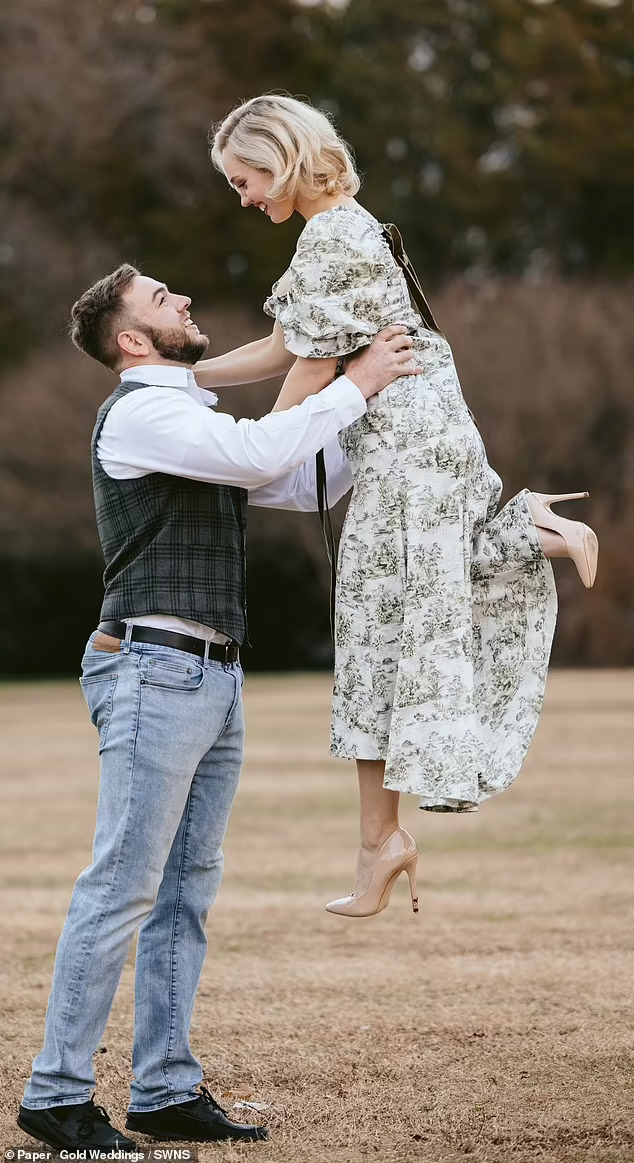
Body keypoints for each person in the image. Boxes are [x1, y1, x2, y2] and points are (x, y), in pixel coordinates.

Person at [17, 263, 418, 1152]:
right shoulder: (142, 411)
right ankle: (55, 1094)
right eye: (163, 300)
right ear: (131, 339)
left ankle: (163, 1089)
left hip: (210, 674)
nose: (186, 301)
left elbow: (298, 479)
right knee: (123, 885)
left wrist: (385, 406)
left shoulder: (193, 421)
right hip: (155, 669)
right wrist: (352, 380)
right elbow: (263, 452)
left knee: (185, 891)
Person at [204, 93, 599, 919]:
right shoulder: (347, 228)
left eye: (244, 180)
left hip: (406, 454)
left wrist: (256, 449)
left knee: (377, 631)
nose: (241, 199)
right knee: (396, 619)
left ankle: (379, 842)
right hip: (430, 441)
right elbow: (286, 343)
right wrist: (185, 376)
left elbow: (309, 369)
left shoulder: (330, 237)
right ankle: (531, 529)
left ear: (281, 159)